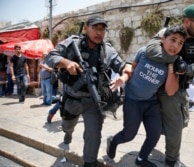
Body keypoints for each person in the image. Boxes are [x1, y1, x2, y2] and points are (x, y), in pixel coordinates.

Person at [45, 15, 132, 167]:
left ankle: (90, 162)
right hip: (72, 97)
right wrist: (67, 63)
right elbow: (50, 57)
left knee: (93, 135)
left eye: (103, 29)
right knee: (67, 125)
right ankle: (68, 134)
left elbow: (123, 66)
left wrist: (125, 73)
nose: (100, 33)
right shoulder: (73, 43)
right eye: (96, 28)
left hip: (93, 101)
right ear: (86, 28)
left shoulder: (108, 50)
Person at [106, 25, 187, 167]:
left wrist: (170, 67)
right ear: (163, 39)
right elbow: (131, 68)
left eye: (180, 43)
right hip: (133, 101)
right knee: (129, 135)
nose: (175, 46)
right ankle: (113, 141)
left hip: (151, 103)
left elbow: (170, 91)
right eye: (173, 40)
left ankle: (141, 159)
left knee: (154, 134)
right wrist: (123, 80)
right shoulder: (144, 52)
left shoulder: (173, 63)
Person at [145, 4, 194, 167]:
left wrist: (186, 68)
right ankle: (172, 160)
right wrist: (176, 60)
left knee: (177, 124)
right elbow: (151, 50)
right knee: (174, 126)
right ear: (187, 21)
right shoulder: (169, 32)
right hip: (160, 87)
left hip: (179, 88)